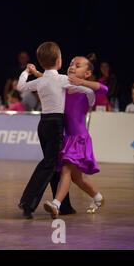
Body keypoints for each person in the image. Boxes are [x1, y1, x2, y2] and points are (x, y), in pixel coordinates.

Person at [16, 42, 94, 219]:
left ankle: (64, 205)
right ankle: (27, 202)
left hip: (43, 124)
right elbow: (86, 89)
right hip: (56, 125)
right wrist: (90, 101)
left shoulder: (42, 80)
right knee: (49, 164)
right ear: (59, 61)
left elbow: (20, 86)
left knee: (56, 166)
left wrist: (27, 73)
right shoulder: (62, 80)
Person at [43, 56, 107, 218]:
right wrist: (36, 73)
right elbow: (49, 80)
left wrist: (82, 83)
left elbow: (104, 89)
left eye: (77, 65)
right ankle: (98, 198)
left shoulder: (87, 92)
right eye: (71, 64)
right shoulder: (63, 88)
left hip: (79, 139)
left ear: (87, 73)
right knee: (77, 179)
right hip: (67, 138)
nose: (72, 66)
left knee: (65, 170)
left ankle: (56, 204)